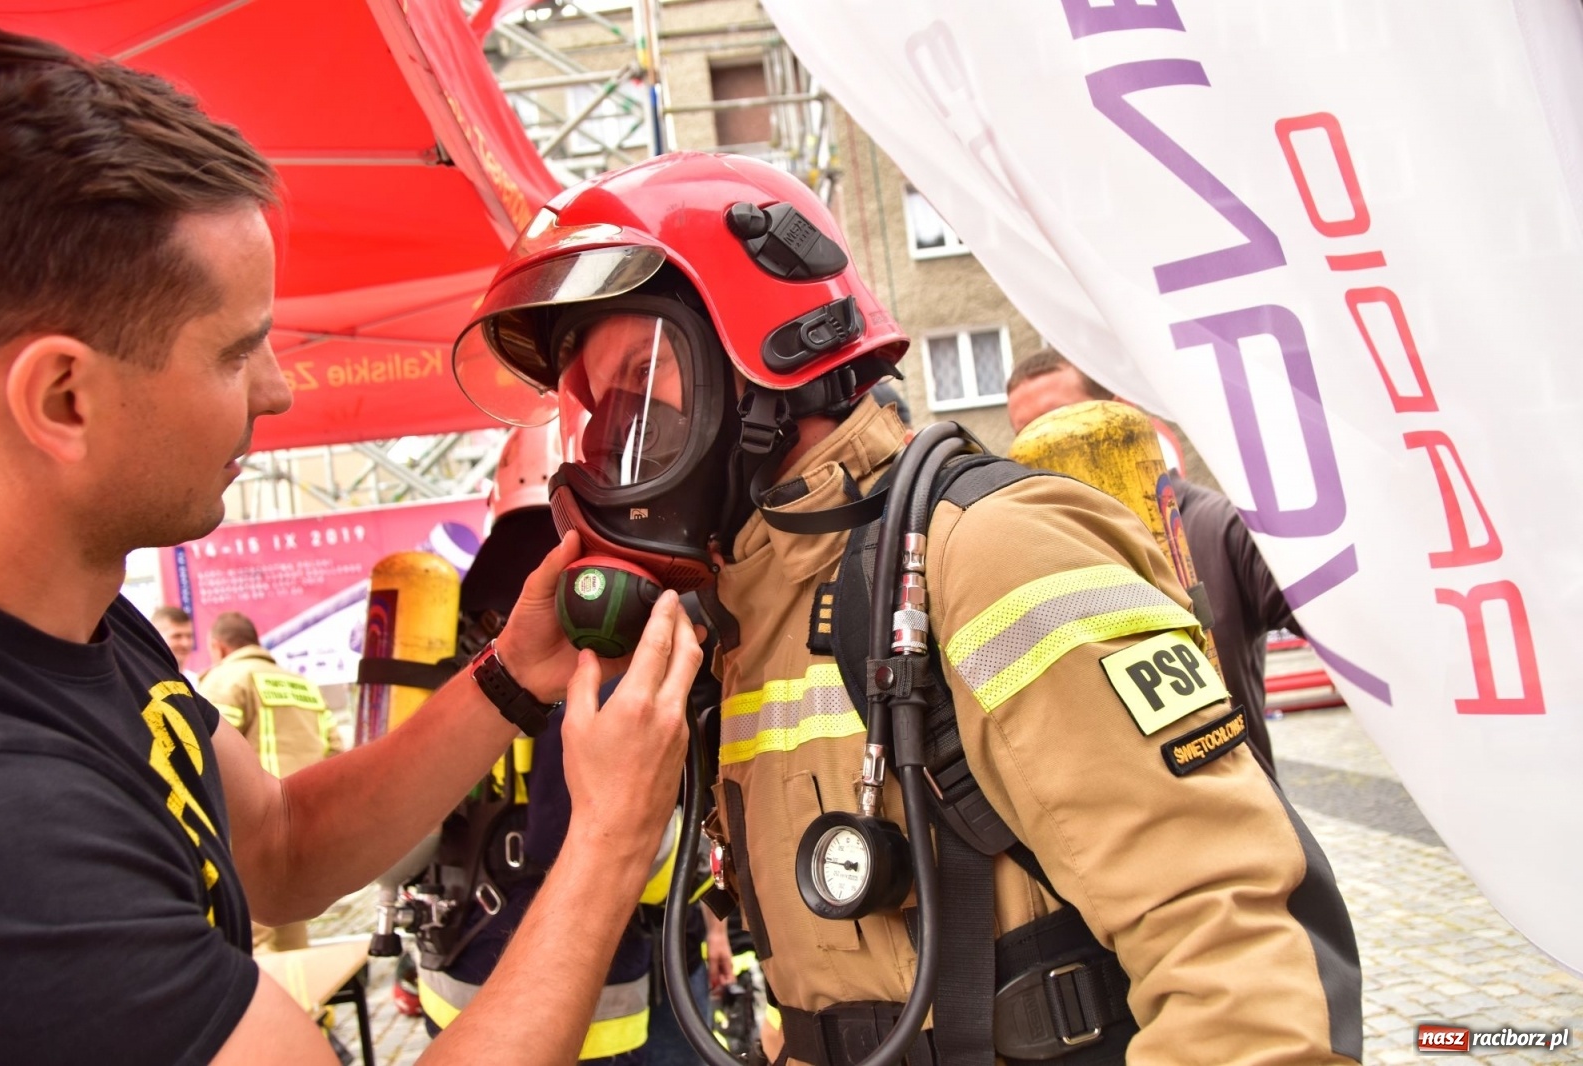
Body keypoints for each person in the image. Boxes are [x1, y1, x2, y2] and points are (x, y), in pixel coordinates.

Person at [453, 151, 1363, 1064]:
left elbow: (1235, 961)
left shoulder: (990, 553)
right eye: (600, 416)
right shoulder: (743, 628)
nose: (612, 451)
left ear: (773, 355)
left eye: (644, 392)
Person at [0, 26, 698, 1065]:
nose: (274, 389)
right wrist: (610, 838)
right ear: (64, 396)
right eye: (235, 353)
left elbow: (279, 844)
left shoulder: (81, 625)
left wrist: (510, 677)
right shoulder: (14, 827)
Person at [407, 427, 732, 1065]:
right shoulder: (622, 597)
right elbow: (647, 849)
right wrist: (708, 915)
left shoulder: (448, 610)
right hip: (599, 995)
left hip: (454, 978)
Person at [1005, 350, 1300, 772]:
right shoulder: (1038, 557)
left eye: (1063, 418)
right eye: (1027, 436)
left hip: (1241, 806)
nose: (1048, 448)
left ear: (1119, 413)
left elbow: (1341, 627)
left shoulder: (1218, 525)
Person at [197, 610, 343, 951]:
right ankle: (307, 1003)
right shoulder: (301, 683)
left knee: (252, 938)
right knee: (290, 928)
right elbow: (335, 751)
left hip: (247, 830)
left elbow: (206, 755)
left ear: (218, 647)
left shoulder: (226, 680)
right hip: (302, 826)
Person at [152, 603, 200, 682]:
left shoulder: (195, 682)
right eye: (177, 636)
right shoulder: (145, 681)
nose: (186, 643)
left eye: (189, 636)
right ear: (156, 637)